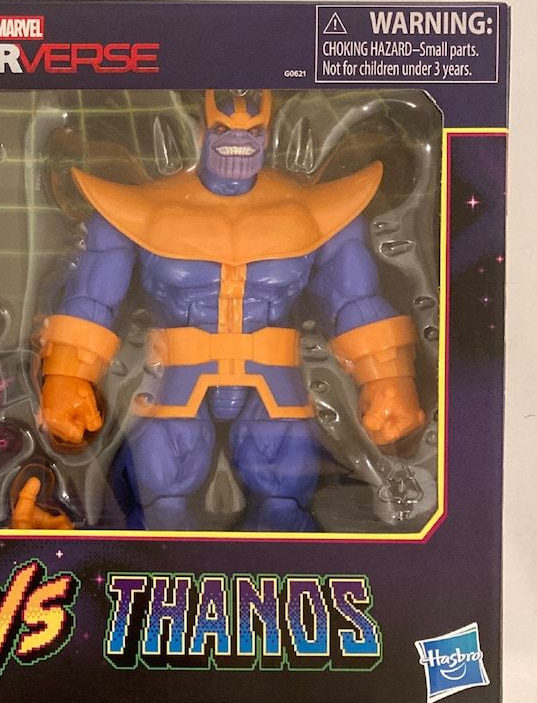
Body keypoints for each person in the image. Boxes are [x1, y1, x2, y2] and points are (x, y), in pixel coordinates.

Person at [38, 90, 425, 532]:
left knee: (283, 498)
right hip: (176, 378)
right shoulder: (141, 210)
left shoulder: (314, 211)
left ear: (267, 132)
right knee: (160, 495)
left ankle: (271, 578)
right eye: (224, 128)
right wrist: (67, 375)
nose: (239, 141)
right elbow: (94, 298)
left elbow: (353, 298)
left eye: (253, 131)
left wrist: (387, 377)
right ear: (202, 130)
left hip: (274, 380)